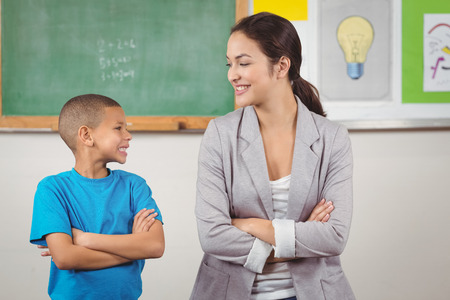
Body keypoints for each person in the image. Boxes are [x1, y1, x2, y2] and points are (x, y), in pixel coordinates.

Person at [190, 12, 354, 300]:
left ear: (281, 66)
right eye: (230, 64)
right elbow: (212, 235)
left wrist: (252, 226)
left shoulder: (332, 138)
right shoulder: (220, 134)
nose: (232, 74)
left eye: (243, 63)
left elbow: (334, 236)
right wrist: (296, 241)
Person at [30, 94, 165, 300]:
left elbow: (154, 246)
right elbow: (65, 258)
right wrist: (133, 248)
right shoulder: (52, 189)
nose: (128, 135)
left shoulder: (134, 186)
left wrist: (84, 239)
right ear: (86, 135)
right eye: (118, 128)